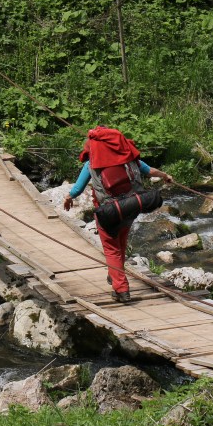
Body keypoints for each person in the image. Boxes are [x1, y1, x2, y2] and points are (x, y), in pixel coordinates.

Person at [62, 126, 173, 303]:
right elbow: (150, 171)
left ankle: (121, 289)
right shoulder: (128, 156)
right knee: (120, 243)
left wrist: (68, 197)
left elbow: (78, 188)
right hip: (131, 207)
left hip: (109, 212)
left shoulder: (91, 163)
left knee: (112, 249)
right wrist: (165, 175)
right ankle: (115, 275)